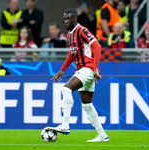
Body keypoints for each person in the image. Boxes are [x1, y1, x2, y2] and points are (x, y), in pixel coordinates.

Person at [47, 8, 109, 142]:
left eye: (68, 19)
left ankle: (65, 125)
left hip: (87, 69)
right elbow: (72, 53)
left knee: (65, 89)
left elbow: (96, 46)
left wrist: (95, 68)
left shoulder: (82, 30)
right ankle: (102, 135)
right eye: (64, 19)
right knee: (87, 105)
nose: (66, 22)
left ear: (75, 19)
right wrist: (62, 70)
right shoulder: (70, 34)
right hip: (83, 70)